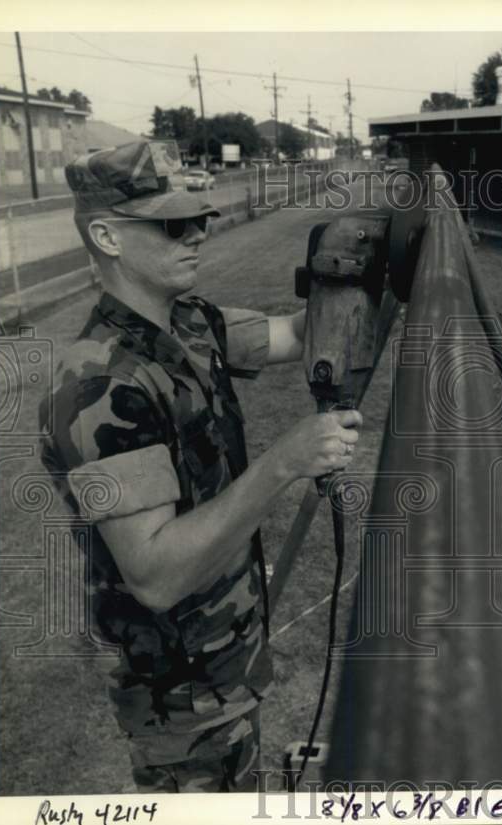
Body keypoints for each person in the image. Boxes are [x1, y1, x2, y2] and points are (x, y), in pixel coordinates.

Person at [39, 140, 362, 792]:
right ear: (107, 235)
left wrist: (362, 275)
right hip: (179, 702)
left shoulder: (192, 322)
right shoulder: (100, 385)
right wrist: (283, 463)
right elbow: (155, 575)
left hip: (228, 661)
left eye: (199, 218)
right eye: (171, 224)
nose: (196, 233)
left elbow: (298, 334)